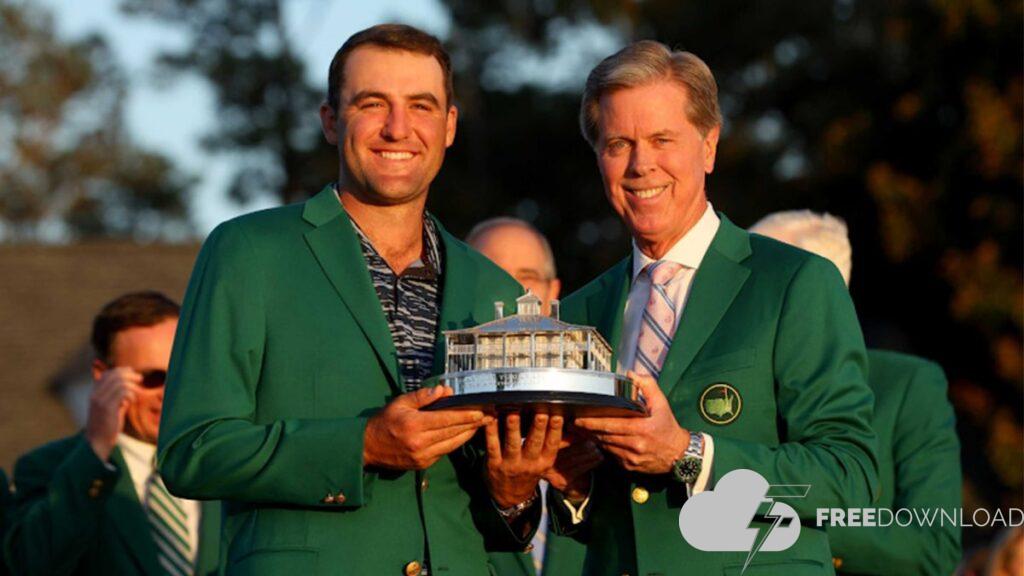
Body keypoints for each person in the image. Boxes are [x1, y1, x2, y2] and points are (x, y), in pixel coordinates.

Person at [158, 24, 560, 576]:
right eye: (373, 104)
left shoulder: (499, 291)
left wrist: (513, 493)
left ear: (448, 126)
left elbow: (498, 521)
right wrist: (362, 445)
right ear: (330, 120)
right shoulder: (248, 251)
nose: (398, 128)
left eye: (420, 106)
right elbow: (191, 450)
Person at [548, 40, 879, 575]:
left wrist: (689, 453)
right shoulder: (577, 313)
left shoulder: (794, 283)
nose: (641, 165)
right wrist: (572, 487)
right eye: (618, 144)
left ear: (708, 147)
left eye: (662, 140)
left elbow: (850, 476)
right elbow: (598, 520)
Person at [750, 209, 962, 575]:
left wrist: (785, 521)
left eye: (756, 283)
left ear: (819, 297)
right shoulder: (711, 384)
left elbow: (932, 545)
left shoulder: (905, 384)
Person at [3, 291, 222, 576]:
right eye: (152, 378)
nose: (168, 393)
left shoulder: (221, 462)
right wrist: (96, 449)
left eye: (180, 374)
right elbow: (33, 564)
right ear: (102, 375)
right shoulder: (48, 467)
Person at [467, 218, 596, 576]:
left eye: (526, 277)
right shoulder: (442, 420)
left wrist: (576, 492)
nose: (510, 291)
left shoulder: (592, 416)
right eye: (492, 274)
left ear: (553, 292)